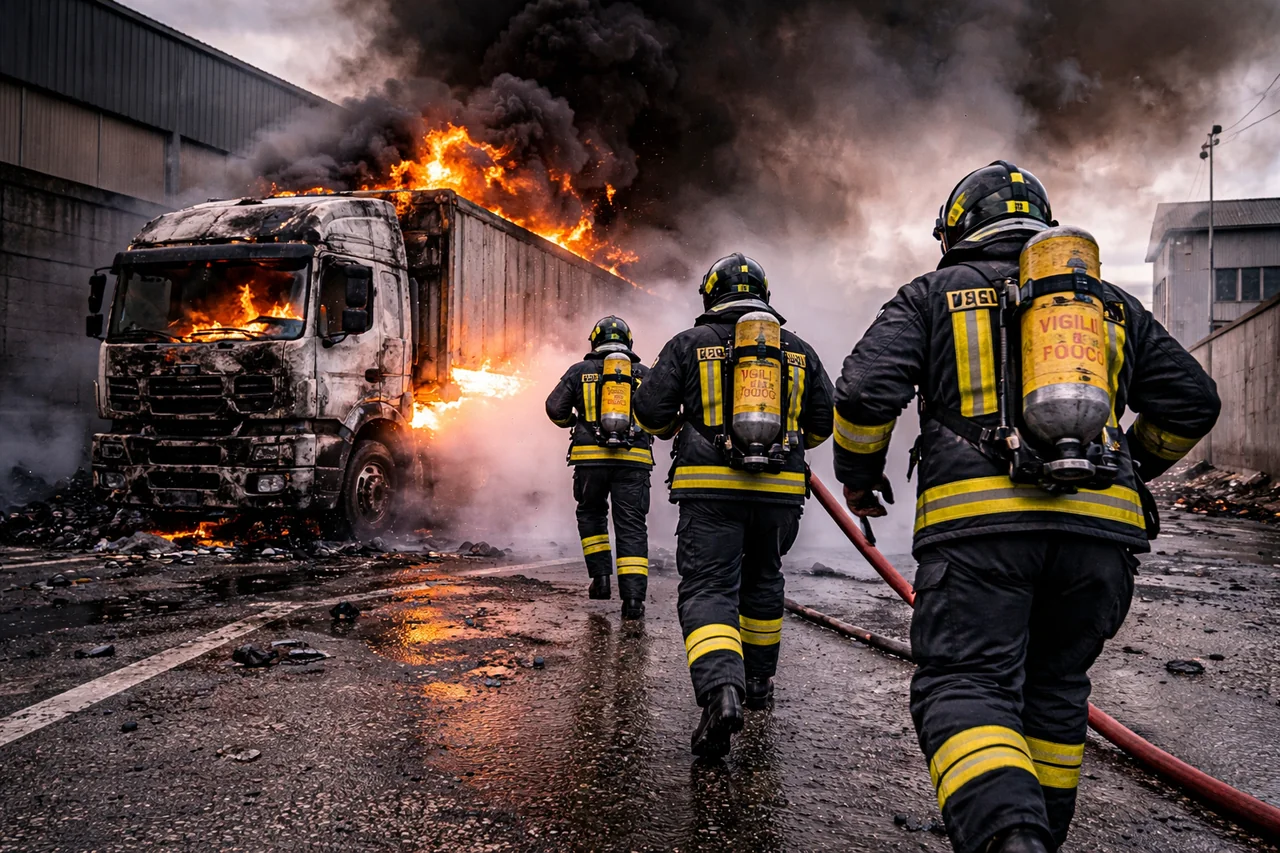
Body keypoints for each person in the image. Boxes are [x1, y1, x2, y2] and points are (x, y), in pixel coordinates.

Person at [831, 161, 1221, 853]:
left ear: (957, 228)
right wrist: (1129, 466)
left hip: (981, 538)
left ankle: (1010, 838)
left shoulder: (931, 294)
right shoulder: (1109, 304)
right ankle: (1037, 834)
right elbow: (1194, 402)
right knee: (1055, 691)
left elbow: (863, 393)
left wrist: (858, 477)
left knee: (967, 688)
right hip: (1100, 542)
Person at [633, 253, 834, 757]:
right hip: (780, 496)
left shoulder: (688, 343)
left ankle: (723, 690)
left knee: (708, 588)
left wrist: (682, 426)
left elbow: (651, 413)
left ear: (710, 294)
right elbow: (823, 422)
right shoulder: (798, 351)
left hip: (711, 493)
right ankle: (760, 684)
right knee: (764, 578)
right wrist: (786, 445)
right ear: (765, 295)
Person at [546, 316, 655, 620]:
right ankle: (633, 601)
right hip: (633, 462)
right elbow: (660, 414)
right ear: (629, 344)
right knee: (631, 525)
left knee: (592, 514)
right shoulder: (643, 375)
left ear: (594, 342)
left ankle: (601, 579)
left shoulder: (580, 371)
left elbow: (555, 408)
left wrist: (576, 424)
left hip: (590, 460)